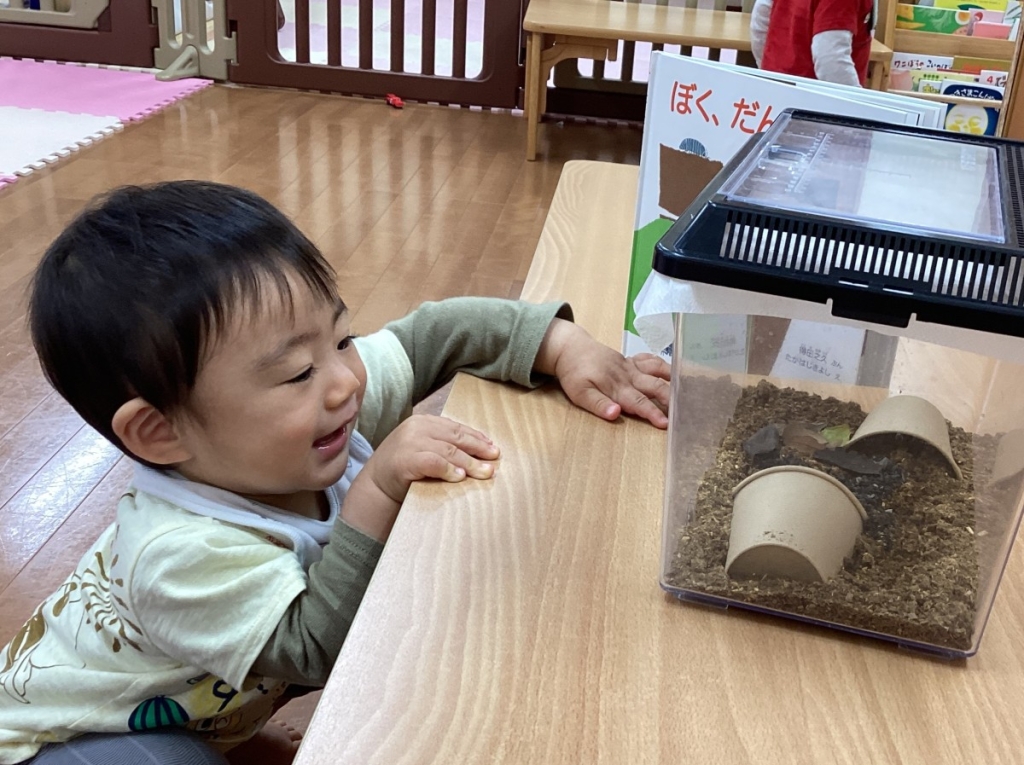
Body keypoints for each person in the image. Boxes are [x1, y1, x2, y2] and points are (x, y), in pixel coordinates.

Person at [0, 181, 671, 765]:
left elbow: (429, 335)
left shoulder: (315, 407)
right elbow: (312, 646)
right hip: (68, 736)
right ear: (160, 430)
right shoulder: (176, 554)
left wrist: (562, 345)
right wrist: (377, 486)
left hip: (196, 706)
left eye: (342, 337)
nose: (347, 380)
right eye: (297, 371)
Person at [750, 0, 876, 88]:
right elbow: (830, 59)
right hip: (814, 105)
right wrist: (859, 110)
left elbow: (760, 21)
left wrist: (769, 70)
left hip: (775, 90)